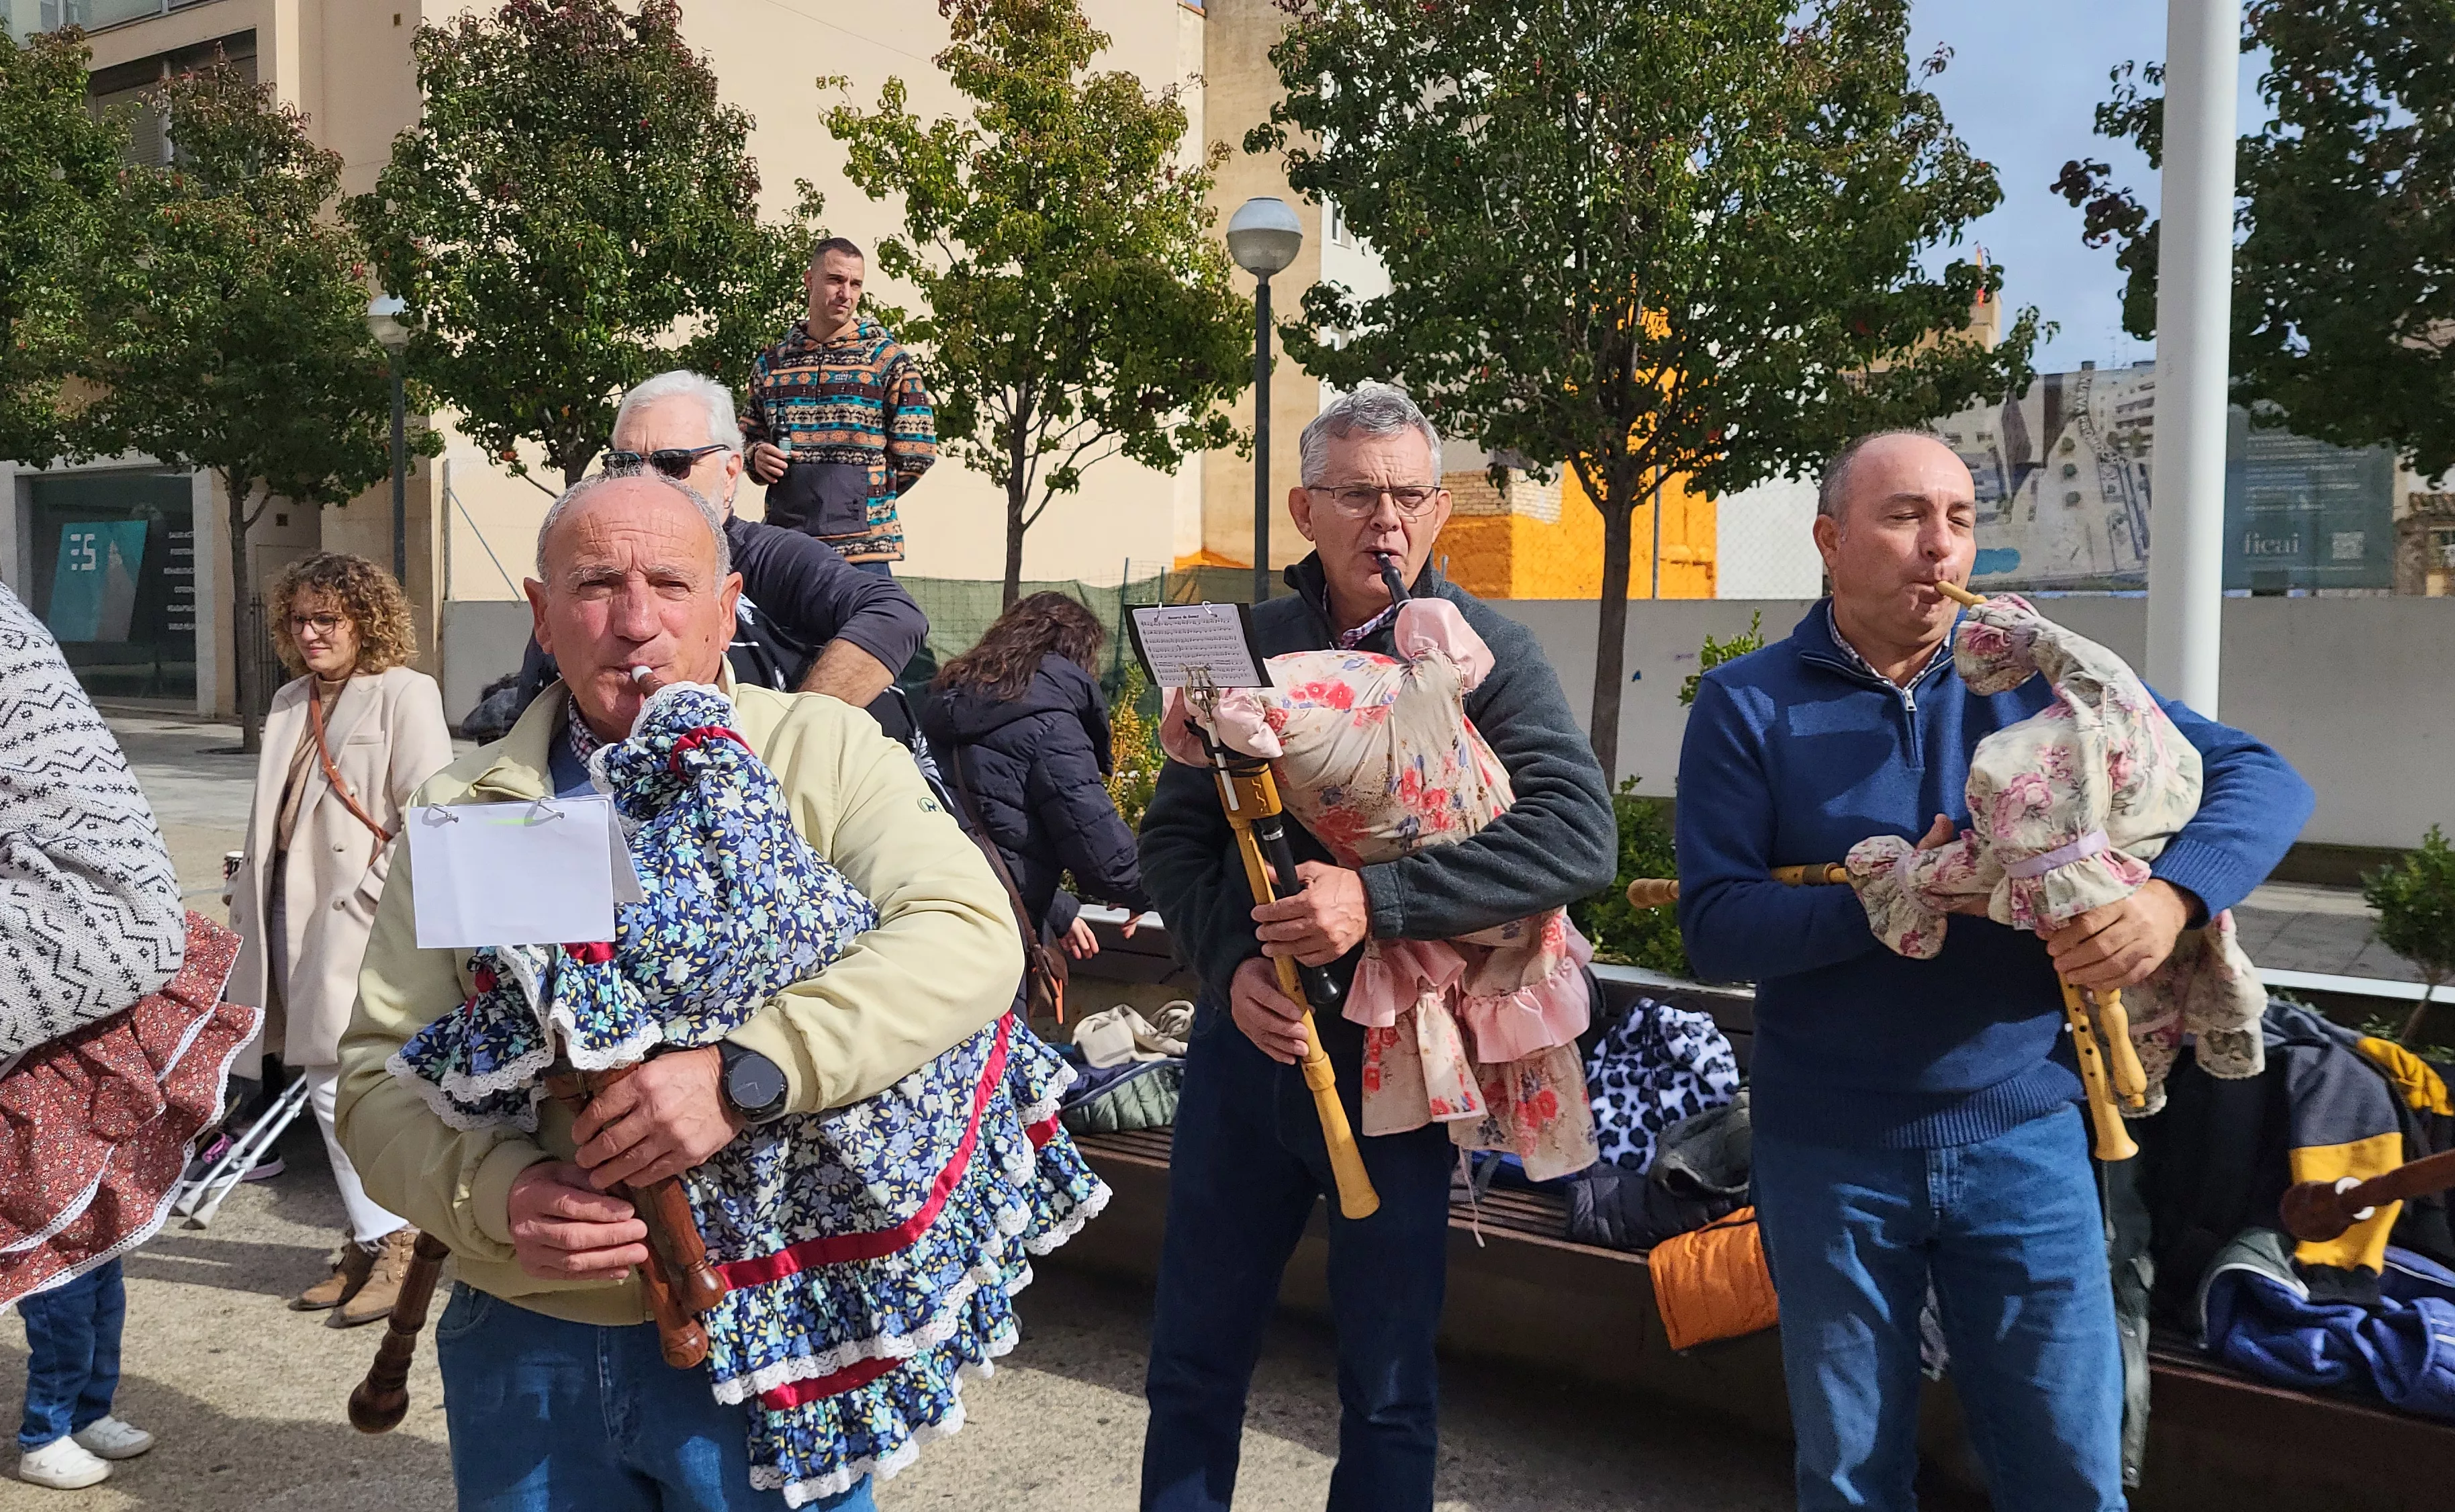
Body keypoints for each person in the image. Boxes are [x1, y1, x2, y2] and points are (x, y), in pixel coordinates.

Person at [336, 473, 1024, 1512]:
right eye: (595, 586)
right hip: (527, 1341)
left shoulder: (820, 751)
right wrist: (496, 1196)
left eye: (669, 583)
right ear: (542, 616)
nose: (635, 621)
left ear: (727, 605)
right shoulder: (469, 805)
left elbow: (967, 934)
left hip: (779, 1323)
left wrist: (751, 1071)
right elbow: (374, 1076)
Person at [1672, 430, 2314, 1511]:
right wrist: (1891, 903)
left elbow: (2263, 776)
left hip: (2028, 1136)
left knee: (2068, 1472)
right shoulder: (1749, 704)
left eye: (1961, 519)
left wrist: (2169, 901)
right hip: (1827, 1150)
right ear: (1830, 540)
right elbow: (1718, 927)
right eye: (1905, 517)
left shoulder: (2044, 678)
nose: (1941, 546)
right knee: (1850, 1481)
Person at [1135, 385, 1616, 1511]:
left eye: (1407, 496)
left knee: (1391, 1387)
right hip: (1249, 1056)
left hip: (1399, 1065)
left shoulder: (1488, 651)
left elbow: (1577, 836)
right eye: (1355, 494)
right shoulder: (1242, 641)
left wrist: (1378, 900)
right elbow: (1174, 839)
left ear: (1440, 508)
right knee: (1192, 1365)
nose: (1385, 521)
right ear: (1306, 510)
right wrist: (1230, 963)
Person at [0, 542, 192, 1499]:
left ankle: (75, 1411)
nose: (313, 636)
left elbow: (105, 906)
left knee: (89, 1265)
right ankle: (51, 1423)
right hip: (17, 1106)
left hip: (41, 1083)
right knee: (61, 1276)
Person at [226, 553, 451, 1326]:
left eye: (328, 618)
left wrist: (369, 895)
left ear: (366, 620)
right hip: (284, 911)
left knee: (336, 1082)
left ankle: (394, 1242)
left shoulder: (404, 692)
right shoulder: (290, 698)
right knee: (320, 1077)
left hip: (356, 918)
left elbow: (430, 810)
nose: (311, 633)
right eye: (299, 619)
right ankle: (367, 1238)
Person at [507, 371, 930, 735]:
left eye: (673, 464)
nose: (648, 481)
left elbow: (893, 614)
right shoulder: (577, 577)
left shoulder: (767, 557)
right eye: (626, 464)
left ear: (730, 475)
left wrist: (794, 736)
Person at [919, 592, 1148, 971]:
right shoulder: (1052, 725)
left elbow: (981, 828)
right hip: (993, 931)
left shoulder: (942, 703)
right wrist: (1154, 890)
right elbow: (1103, 856)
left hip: (925, 908)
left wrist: (1058, 908)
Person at [740, 238, 937, 575]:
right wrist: (756, 456)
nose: (846, 293)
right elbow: (745, 438)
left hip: (863, 554)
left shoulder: (887, 361)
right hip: (786, 547)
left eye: (855, 284)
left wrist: (862, 497)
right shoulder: (771, 365)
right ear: (809, 280)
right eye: (835, 280)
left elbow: (918, 451)